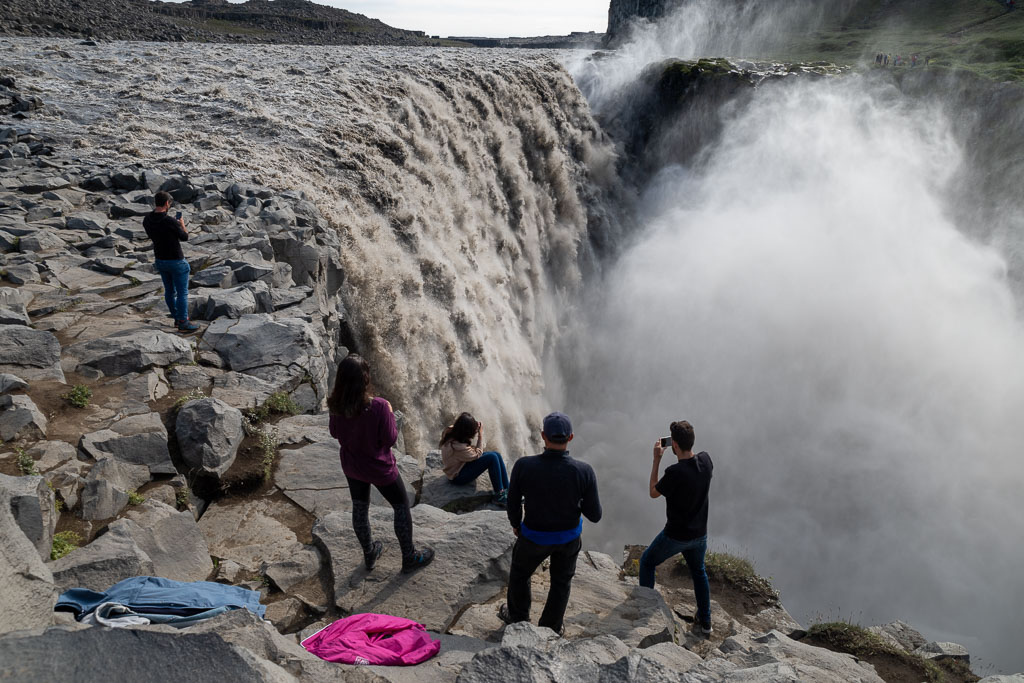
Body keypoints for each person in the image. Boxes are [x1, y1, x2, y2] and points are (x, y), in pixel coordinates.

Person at [327, 354, 434, 574]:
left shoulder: (335, 405)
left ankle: (369, 552)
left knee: (360, 508)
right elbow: (390, 439)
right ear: (365, 378)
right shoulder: (379, 406)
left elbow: (334, 432)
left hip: (353, 466)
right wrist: (391, 415)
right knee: (401, 506)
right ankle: (409, 556)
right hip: (379, 468)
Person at [499, 411, 602, 635]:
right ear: (571, 438)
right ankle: (551, 626)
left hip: (533, 535)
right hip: (568, 538)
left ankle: (517, 618)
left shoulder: (524, 466)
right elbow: (595, 515)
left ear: (543, 435)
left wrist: (516, 523)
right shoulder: (584, 471)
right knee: (561, 581)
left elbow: (513, 501)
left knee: (520, 573)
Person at [638, 420, 714, 636]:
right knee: (699, 572)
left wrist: (656, 460)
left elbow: (653, 492)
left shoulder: (674, 472)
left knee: (647, 561)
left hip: (676, 535)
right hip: (700, 535)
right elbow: (696, 462)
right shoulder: (706, 461)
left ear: (675, 446)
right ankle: (706, 623)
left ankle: (645, 608)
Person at [143, 191, 199, 332]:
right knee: (182, 293)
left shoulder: (147, 219)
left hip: (160, 260)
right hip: (176, 261)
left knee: (169, 291)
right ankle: (183, 322)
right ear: (167, 203)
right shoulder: (170, 221)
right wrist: (181, 224)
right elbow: (185, 237)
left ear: (155, 202)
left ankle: (176, 318)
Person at [439, 412, 509, 506]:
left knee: (496, 454)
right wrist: (480, 435)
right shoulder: (458, 447)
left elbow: (462, 426)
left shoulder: (451, 431)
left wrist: (473, 425)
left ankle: (508, 490)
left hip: (462, 464)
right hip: (458, 477)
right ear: (466, 432)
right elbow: (478, 453)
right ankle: (500, 496)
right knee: (492, 458)